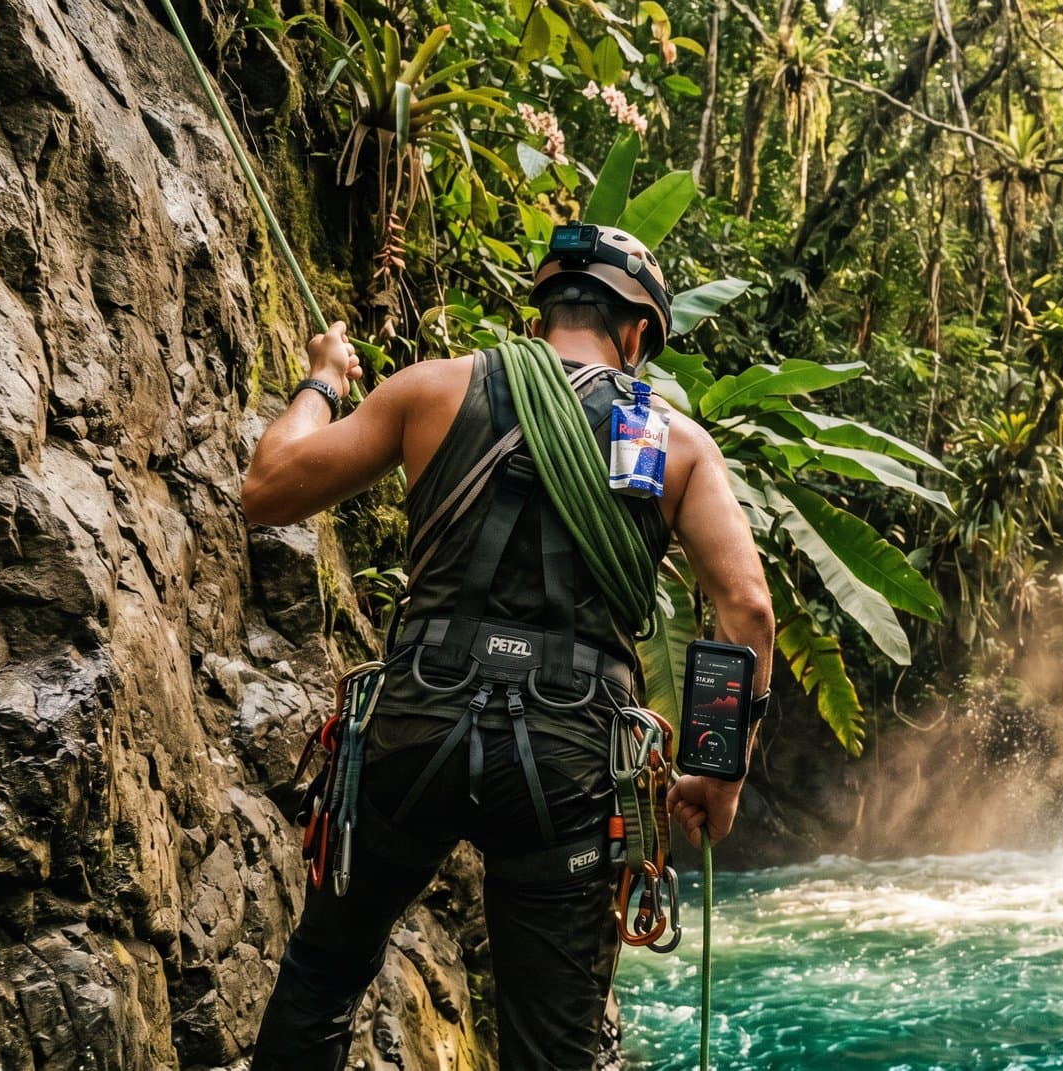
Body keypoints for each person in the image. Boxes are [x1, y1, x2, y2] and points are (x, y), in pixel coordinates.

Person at [240, 225, 774, 1070]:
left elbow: (267, 488)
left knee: (323, 974)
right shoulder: (673, 442)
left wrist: (321, 380)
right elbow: (745, 606)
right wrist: (720, 769)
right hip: (568, 763)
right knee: (552, 1049)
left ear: (541, 313)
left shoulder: (432, 390)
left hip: (416, 725)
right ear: (637, 333)